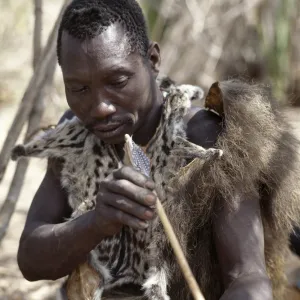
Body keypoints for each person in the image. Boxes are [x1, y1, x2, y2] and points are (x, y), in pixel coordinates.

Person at [16, 0, 300, 299]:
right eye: (78, 89)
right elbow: (31, 262)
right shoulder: (77, 135)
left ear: (152, 59)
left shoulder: (206, 139)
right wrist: (94, 223)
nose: (100, 107)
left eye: (117, 81)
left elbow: (246, 278)